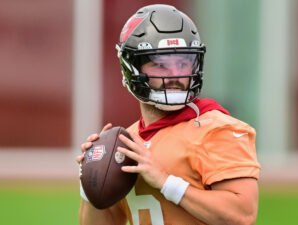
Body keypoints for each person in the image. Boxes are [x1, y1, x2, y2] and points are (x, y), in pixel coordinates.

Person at [77, 4, 260, 225]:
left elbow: (242, 215)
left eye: (183, 63)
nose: (175, 75)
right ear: (131, 67)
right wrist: (90, 183)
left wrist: (166, 182)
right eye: (161, 65)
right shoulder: (128, 142)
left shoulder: (217, 128)